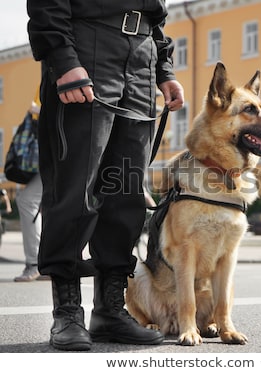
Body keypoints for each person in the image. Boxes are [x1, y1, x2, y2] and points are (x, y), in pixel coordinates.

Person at [27, 0, 184, 351]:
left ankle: (109, 311)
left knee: (126, 194)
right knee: (75, 191)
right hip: (86, 49)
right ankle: (67, 313)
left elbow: (155, 16)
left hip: (141, 61)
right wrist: (63, 60)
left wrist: (164, 69)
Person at [13, 100, 44, 282]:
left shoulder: (60, 72)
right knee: (52, 205)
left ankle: (35, 263)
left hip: (58, 152)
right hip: (54, 151)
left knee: (26, 200)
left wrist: (38, 111)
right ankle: (47, 264)